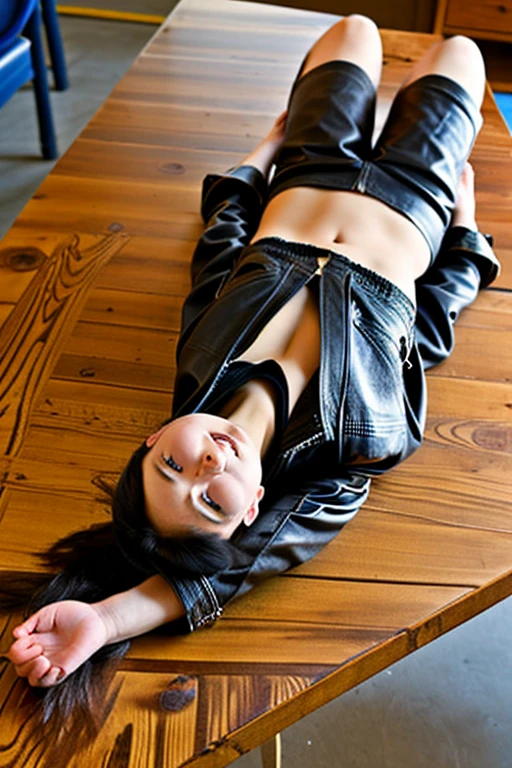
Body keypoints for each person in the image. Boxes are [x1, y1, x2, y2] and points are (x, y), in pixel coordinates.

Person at [3, 14, 500, 712]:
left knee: (355, 29)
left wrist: (260, 156)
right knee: (462, 49)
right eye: (211, 500)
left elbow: (220, 249)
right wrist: (468, 231)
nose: (206, 465)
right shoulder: (363, 439)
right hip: (419, 196)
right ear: (253, 509)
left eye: (170, 467)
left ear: (151, 440)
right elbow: (434, 319)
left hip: (308, 165)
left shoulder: (201, 360)